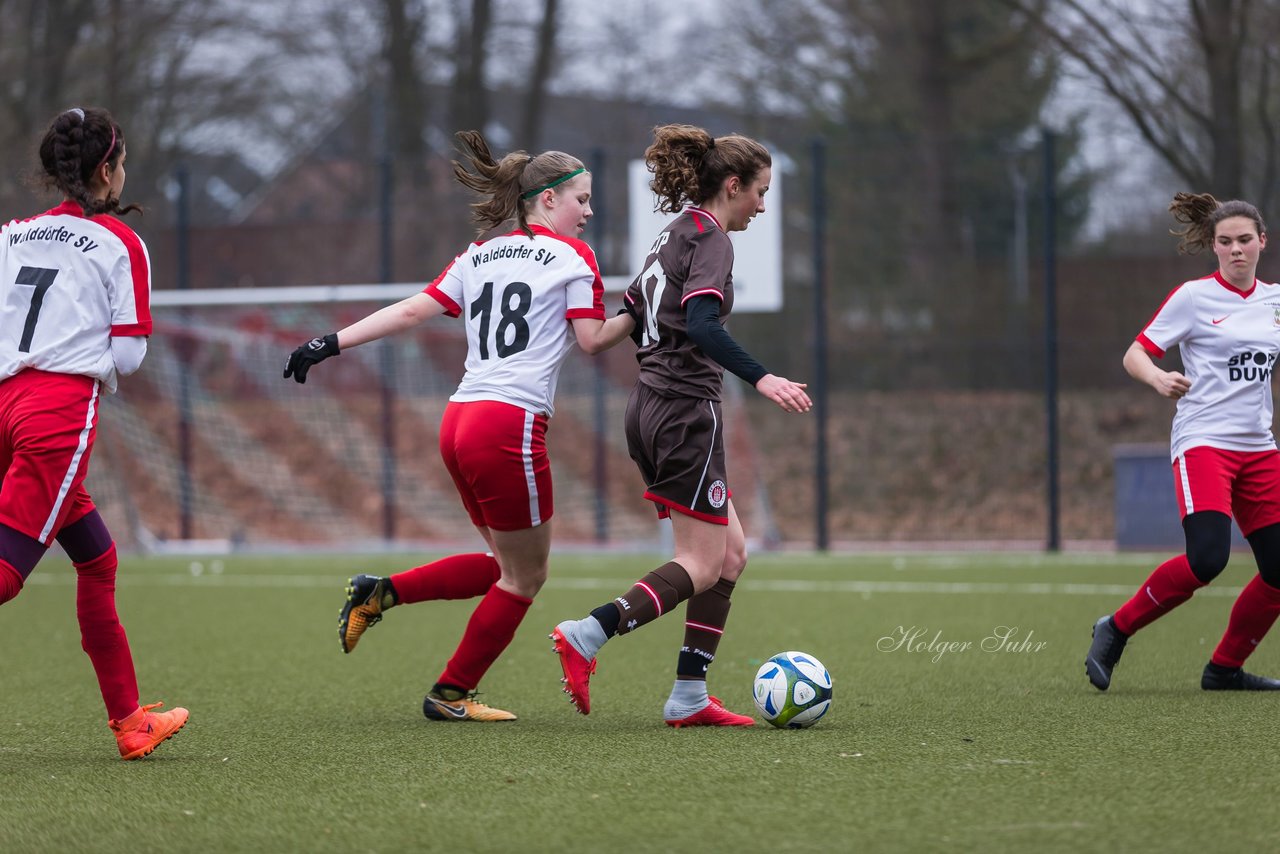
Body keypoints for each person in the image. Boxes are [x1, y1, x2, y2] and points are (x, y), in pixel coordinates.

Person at [284, 130, 634, 722]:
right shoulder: (575, 257)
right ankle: (451, 692)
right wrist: (640, 310)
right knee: (527, 577)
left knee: (505, 567)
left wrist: (331, 341)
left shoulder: (479, 252)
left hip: (458, 421)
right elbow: (593, 340)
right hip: (509, 427)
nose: (589, 211)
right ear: (547, 200)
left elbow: (414, 309)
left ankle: (380, 592)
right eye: (582, 198)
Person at [549, 124, 812, 727]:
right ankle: (587, 633)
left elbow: (632, 317)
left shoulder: (672, 234)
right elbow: (701, 324)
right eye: (761, 192)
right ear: (733, 184)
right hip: (685, 411)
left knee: (730, 556)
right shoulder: (713, 240)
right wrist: (763, 377)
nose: (764, 205)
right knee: (699, 563)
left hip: (649, 406)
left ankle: (689, 695)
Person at [0, 107, 188, 759]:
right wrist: (82, 361)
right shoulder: (119, 243)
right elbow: (130, 355)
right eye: (124, 162)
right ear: (106, 169)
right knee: (6, 571)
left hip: (3, 398)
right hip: (55, 413)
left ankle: (132, 723)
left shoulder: (12, 235)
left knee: (98, 559)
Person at [1087, 191, 1280, 692]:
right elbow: (1136, 353)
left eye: (1244, 240)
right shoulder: (1193, 297)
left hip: (1259, 448)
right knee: (1207, 560)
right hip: (1204, 443)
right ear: (1213, 247)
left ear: (1262, 241)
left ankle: (1224, 669)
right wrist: (1157, 378)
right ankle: (1117, 627)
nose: (1236, 249)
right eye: (1225, 242)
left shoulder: (1275, 302)